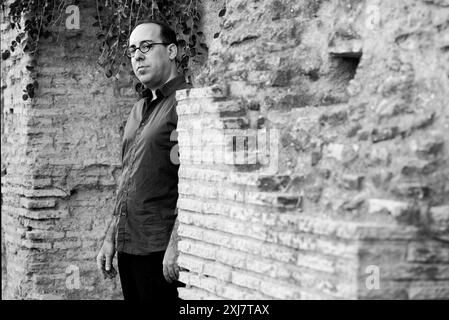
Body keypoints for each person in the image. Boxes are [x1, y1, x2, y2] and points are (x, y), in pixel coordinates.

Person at [96, 19, 189, 303]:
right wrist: (111, 236)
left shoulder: (186, 102)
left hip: (160, 251)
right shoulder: (138, 110)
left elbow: (194, 180)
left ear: (171, 51)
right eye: (132, 49)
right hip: (129, 246)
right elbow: (127, 179)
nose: (137, 55)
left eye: (147, 46)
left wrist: (177, 243)